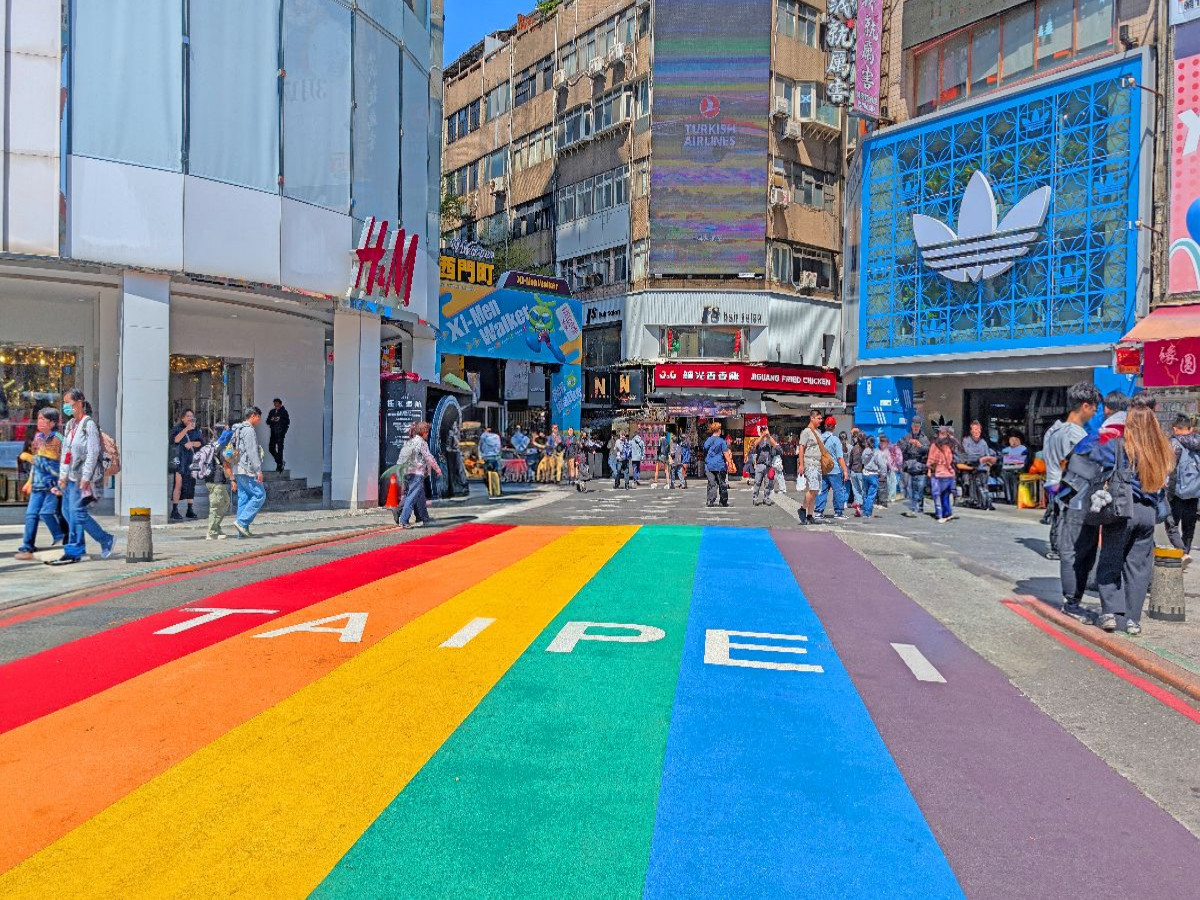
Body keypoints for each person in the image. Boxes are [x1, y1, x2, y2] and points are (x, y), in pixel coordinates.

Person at [1081, 405, 1173, 635]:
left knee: (1111, 559)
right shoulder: (1162, 450)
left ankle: (1111, 613)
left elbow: (1091, 450)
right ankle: (1132, 620)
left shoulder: (1121, 445)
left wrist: (1101, 429)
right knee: (1138, 567)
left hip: (1123, 509)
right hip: (1148, 513)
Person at [1057, 390, 1128, 622]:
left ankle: (1072, 602)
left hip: (1080, 498)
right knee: (1089, 552)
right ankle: (1089, 603)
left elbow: (1070, 466)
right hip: (1109, 501)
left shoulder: (1096, 436)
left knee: (1075, 550)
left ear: (1107, 410)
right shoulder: (1128, 437)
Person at [48, 389, 115, 565]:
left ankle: (90, 545)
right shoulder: (70, 425)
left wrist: (86, 478)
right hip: (70, 477)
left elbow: (93, 453)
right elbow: (66, 452)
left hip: (82, 478)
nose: (65, 406)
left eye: (68, 402)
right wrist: (62, 476)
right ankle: (86, 545)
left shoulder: (89, 425)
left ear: (79, 402)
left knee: (76, 513)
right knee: (66, 512)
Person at [1042, 383, 1102, 560]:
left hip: (1053, 483)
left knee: (1058, 518)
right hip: (1071, 487)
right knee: (1070, 529)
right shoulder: (1077, 435)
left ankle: (1057, 549)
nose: (1094, 413)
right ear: (1085, 406)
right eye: (1094, 409)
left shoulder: (1053, 430)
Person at [14, 407, 65, 560]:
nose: (40, 422)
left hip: (52, 484)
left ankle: (63, 536)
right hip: (38, 483)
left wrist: (30, 458)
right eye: (39, 418)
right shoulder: (38, 437)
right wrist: (30, 481)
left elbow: (56, 463)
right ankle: (27, 547)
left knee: (54, 513)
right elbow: (38, 463)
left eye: (44, 419)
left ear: (52, 422)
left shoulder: (59, 438)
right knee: (31, 515)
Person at [1166, 413, 1200, 561]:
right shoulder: (1198, 443)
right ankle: (1186, 549)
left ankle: (1182, 552)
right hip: (1194, 491)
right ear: (1190, 428)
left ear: (1175, 428)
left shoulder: (1173, 443)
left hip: (1176, 493)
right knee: (1189, 526)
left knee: (1171, 524)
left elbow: (1170, 469)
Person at [398, 422, 443, 528]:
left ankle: (424, 517)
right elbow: (429, 457)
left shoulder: (411, 441)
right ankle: (404, 520)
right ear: (424, 432)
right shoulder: (422, 443)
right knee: (412, 496)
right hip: (417, 473)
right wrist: (438, 470)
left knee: (420, 496)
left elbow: (402, 457)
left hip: (408, 472)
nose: (427, 434)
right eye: (427, 432)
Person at [230, 406, 266, 538]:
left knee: (243, 498)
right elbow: (252, 451)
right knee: (259, 495)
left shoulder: (237, 429)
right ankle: (242, 521)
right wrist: (258, 470)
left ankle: (241, 531)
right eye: (259, 418)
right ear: (253, 415)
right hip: (247, 469)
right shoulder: (249, 431)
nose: (259, 421)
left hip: (237, 468)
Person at [170, 409, 205, 521]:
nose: (190, 418)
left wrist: (192, 443)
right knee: (178, 484)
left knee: (191, 484)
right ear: (183, 418)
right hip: (180, 460)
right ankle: (174, 510)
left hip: (192, 460)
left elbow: (201, 442)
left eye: (192, 416)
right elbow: (175, 440)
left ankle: (190, 509)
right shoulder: (177, 429)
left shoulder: (196, 430)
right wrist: (186, 429)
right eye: (188, 416)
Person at [203, 422, 234, 540]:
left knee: (225, 502)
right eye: (226, 429)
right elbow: (226, 464)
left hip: (212, 479)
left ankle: (216, 526)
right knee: (216, 506)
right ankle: (211, 532)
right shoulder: (221, 446)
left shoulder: (212, 444)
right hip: (217, 479)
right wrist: (232, 479)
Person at [814, 416, 848, 521]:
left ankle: (819, 511)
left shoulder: (819, 438)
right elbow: (840, 457)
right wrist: (845, 470)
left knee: (822, 490)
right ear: (834, 426)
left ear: (825, 426)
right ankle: (838, 512)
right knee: (838, 491)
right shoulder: (835, 440)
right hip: (834, 470)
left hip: (823, 469)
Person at [797, 411, 826, 525]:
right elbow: (801, 448)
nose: (820, 420)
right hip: (810, 463)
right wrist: (801, 464)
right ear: (812, 418)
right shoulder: (806, 432)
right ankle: (803, 509)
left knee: (815, 491)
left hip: (818, 464)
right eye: (818, 418)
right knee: (813, 488)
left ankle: (810, 515)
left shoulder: (818, 432)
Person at [962, 421, 997, 510]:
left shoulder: (983, 442)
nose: (976, 431)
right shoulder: (966, 441)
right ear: (971, 431)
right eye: (974, 429)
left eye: (978, 429)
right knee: (976, 484)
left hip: (982, 467)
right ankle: (977, 501)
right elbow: (967, 454)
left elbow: (987, 455)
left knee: (983, 485)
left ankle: (985, 503)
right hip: (971, 467)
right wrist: (979, 458)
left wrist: (987, 462)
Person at [900, 417, 931, 518]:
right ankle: (914, 507)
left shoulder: (924, 438)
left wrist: (920, 445)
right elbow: (899, 447)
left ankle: (920, 506)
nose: (915, 427)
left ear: (920, 426)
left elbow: (928, 450)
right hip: (909, 467)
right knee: (911, 488)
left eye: (917, 425)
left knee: (920, 487)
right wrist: (908, 443)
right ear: (911, 426)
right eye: (914, 425)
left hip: (920, 466)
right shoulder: (907, 436)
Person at [927, 425, 958, 524]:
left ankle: (943, 514)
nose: (942, 435)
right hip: (942, 473)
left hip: (941, 473)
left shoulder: (948, 445)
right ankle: (944, 514)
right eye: (941, 433)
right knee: (942, 495)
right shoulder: (947, 445)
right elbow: (931, 459)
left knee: (939, 495)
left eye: (943, 433)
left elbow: (931, 459)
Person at [862, 435, 891, 518]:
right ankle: (867, 513)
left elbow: (863, 461)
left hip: (865, 473)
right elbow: (882, 465)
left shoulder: (865, 451)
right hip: (873, 474)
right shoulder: (876, 452)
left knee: (866, 494)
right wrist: (883, 474)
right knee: (871, 495)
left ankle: (865, 512)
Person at [703, 422, 730, 507]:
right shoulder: (722, 441)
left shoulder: (708, 440)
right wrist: (730, 462)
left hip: (709, 465)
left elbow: (705, 450)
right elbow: (726, 453)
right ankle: (723, 501)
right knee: (722, 484)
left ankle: (710, 501)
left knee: (712, 483)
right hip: (720, 465)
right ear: (719, 430)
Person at [1001, 433, 1029, 505]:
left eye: (1015, 439)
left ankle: (1015, 499)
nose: (1013, 441)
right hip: (1006, 469)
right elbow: (1004, 458)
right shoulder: (1005, 449)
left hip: (1017, 470)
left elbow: (1023, 459)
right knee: (1007, 484)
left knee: (1015, 484)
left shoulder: (1023, 449)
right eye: (1011, 440)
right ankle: (1009, 499)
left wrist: (1012, 459)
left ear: (1019, 440)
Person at [751, 428, 777, 506]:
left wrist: (769, 436)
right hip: (760, 464)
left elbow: (775, 444)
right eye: (764, 430)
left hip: (768, 464)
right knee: (757, 482)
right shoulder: (759, 439)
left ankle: (766, 498)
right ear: (761, 431)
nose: (765, 432)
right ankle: (755, 498)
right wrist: (762, 436)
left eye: (766, 430)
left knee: (768, 483)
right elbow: (754, 444)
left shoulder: (770, 440)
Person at [265, 399, 290, 474]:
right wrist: (272, 419)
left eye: (276, 403)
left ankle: (279, 465)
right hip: (273, 432)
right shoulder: (272, 412)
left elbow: (287, 422)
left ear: (280, 404)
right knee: (271, 448)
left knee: (280, 449)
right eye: (274, 403)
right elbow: (267, 421)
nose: (275, 405)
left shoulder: (284, 412)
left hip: (280, 433)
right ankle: (280, 462)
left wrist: (280, 420)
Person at [480, 424, 502, 499]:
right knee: (496, 474)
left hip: (487, 457)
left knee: (487, 475)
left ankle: (490, 490)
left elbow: (481, 447)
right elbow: (499, 447)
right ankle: (497, 490)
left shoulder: (484, 436)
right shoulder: (497, 437)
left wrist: (482, 454)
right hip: (496, 457)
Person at [886, 434, 904, 504]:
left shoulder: (887, 448)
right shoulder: (897, 449)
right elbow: (900, 460)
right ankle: (892, 497)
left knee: (889, 482)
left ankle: (889, 496)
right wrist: (899, 466)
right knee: (893, 483)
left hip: (888, 467)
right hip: (893, 467)